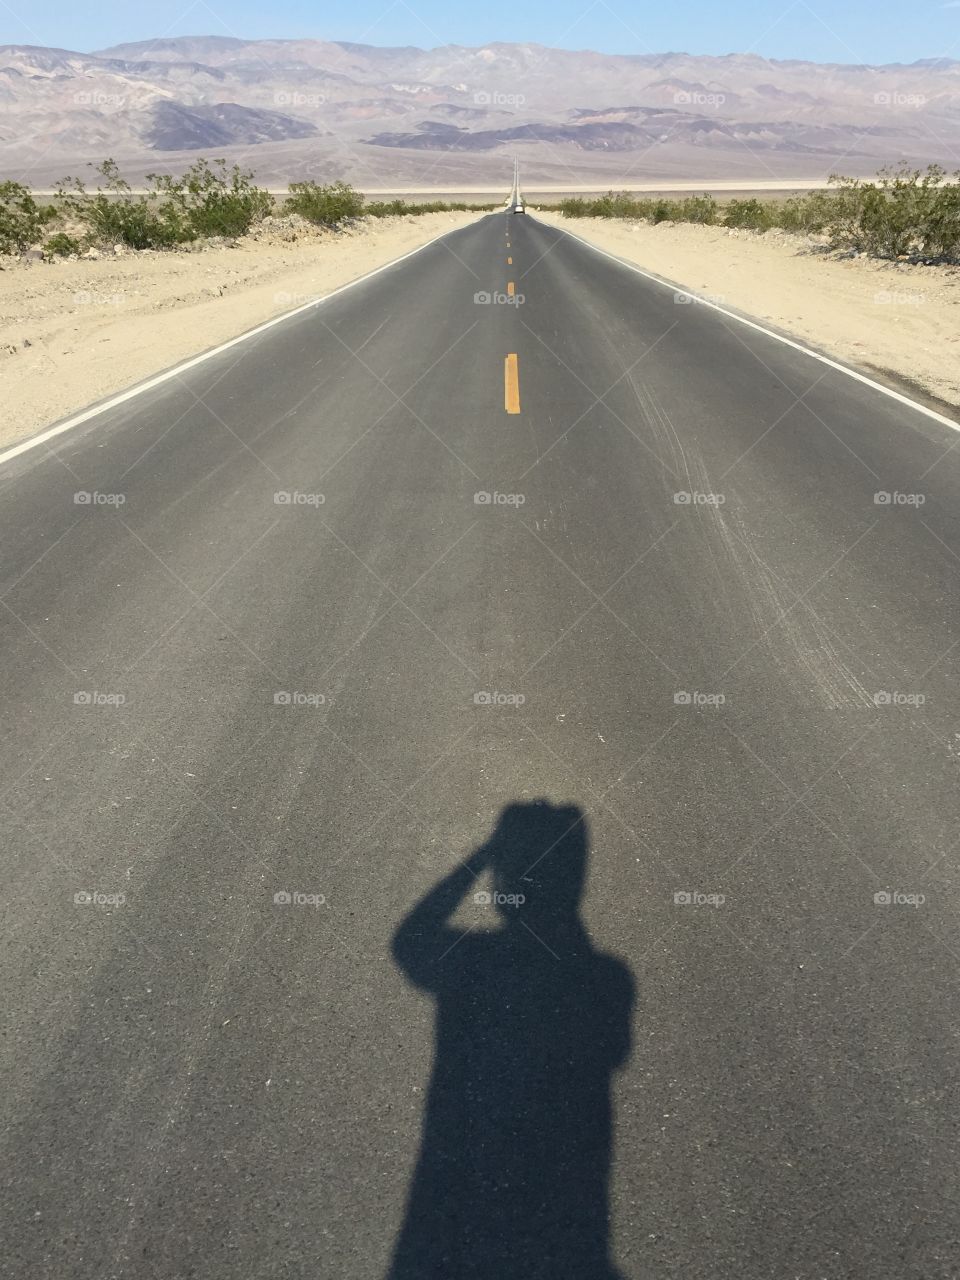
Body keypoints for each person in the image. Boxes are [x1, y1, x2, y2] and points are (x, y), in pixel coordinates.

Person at [388, 800, 634, 1279]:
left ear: (504, 883)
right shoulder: (608, 980)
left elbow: (410, 939)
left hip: (451, 1221)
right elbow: (615, 1052)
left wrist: (479, 858)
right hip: (568, 1230)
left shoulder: (471, 965)